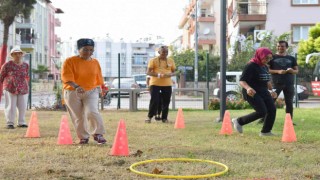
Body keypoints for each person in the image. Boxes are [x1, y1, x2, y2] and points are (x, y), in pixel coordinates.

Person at [61, 38, 107, 144]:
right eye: (85, 50)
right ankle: (83, 137)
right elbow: (66, 77)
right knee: (78, 116)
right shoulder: (70, 61)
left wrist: (103, 86)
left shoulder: (95, 62)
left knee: (92, 111)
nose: (89, 52)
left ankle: (98, 134)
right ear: (79, 49)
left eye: (91, 50)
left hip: (91, 90)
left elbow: (99, 76)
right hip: (72, 91)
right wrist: (77, 86)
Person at [232, 47, 278, 136]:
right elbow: (242, 81)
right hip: (252, 92)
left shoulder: (264, 66)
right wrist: (248, 88)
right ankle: (238, 121)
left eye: (269, 58)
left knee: (272, 109)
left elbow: (266, 80)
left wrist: (271, 90)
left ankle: (266, 132)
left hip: (264, 91)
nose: (267, 60)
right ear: (260, 55)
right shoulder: (251, 65)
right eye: (266, 58)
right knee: (262, 111)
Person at [268, 40, 298, 125]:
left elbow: (297, 71)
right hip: (276, 83)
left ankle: (289, 121)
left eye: (282, 46)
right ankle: (264, 118)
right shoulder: (272, 57)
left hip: (289, 83)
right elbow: (267, 70)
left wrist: (292, 70)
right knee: (270, 101)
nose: (280, 47)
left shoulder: (292, 58)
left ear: (286, 47)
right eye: (278, 46)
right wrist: (278, 71)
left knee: (289, 103)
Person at [0, 46, 29, 129]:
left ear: (22, 54)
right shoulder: (7, 65)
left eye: (19, 53)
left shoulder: (25, 65)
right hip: (10, 87)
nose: (18, 55)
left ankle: (21, 122)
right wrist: (6, 84)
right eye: (15, 54)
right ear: (12, 55)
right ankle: (10, 123)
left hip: (23, 88)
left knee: (22, 106)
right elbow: (1, 76)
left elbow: (26, 75)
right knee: (11, 106)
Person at [145, 46, 176, 123]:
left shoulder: (171, 61)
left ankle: (164, 118)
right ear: (159, 52)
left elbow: (174, 72)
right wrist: (159, 75)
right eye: (163, 52)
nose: (165, 54)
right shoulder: (153, 60)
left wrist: (170, 74)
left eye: (166, 52)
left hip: (167, 84)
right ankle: (149, 117)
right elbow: (148, 72)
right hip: (155, 83)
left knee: (166, 101)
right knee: (154, 100)